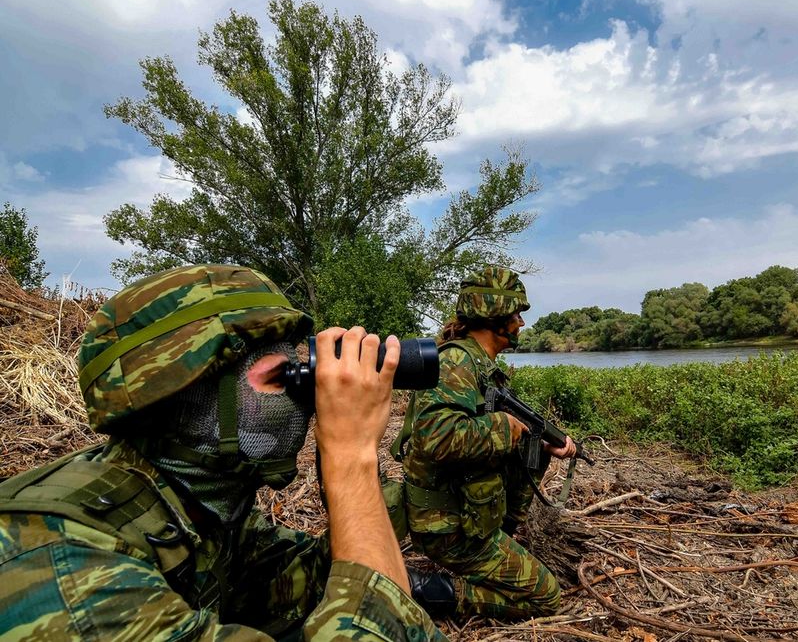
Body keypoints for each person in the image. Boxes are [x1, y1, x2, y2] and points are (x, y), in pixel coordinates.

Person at [0, 264, 447, 641]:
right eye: (281, 378)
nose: (306, 400)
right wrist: (351, 457)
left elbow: (350, 585)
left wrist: (351, 476)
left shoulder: (196, 509)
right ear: (191, 398)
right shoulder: (76, 569)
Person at [394, 266, 577, 620]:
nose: (521, 324)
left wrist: (542, 445)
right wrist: (506, 428)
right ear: (496, 318)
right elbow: (436, 436)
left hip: (464, 514)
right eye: (516, 316)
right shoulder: (456, 362)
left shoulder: (478, 364)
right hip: (447, 526)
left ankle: (496, 545)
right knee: (546, 598)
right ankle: (425, 590)